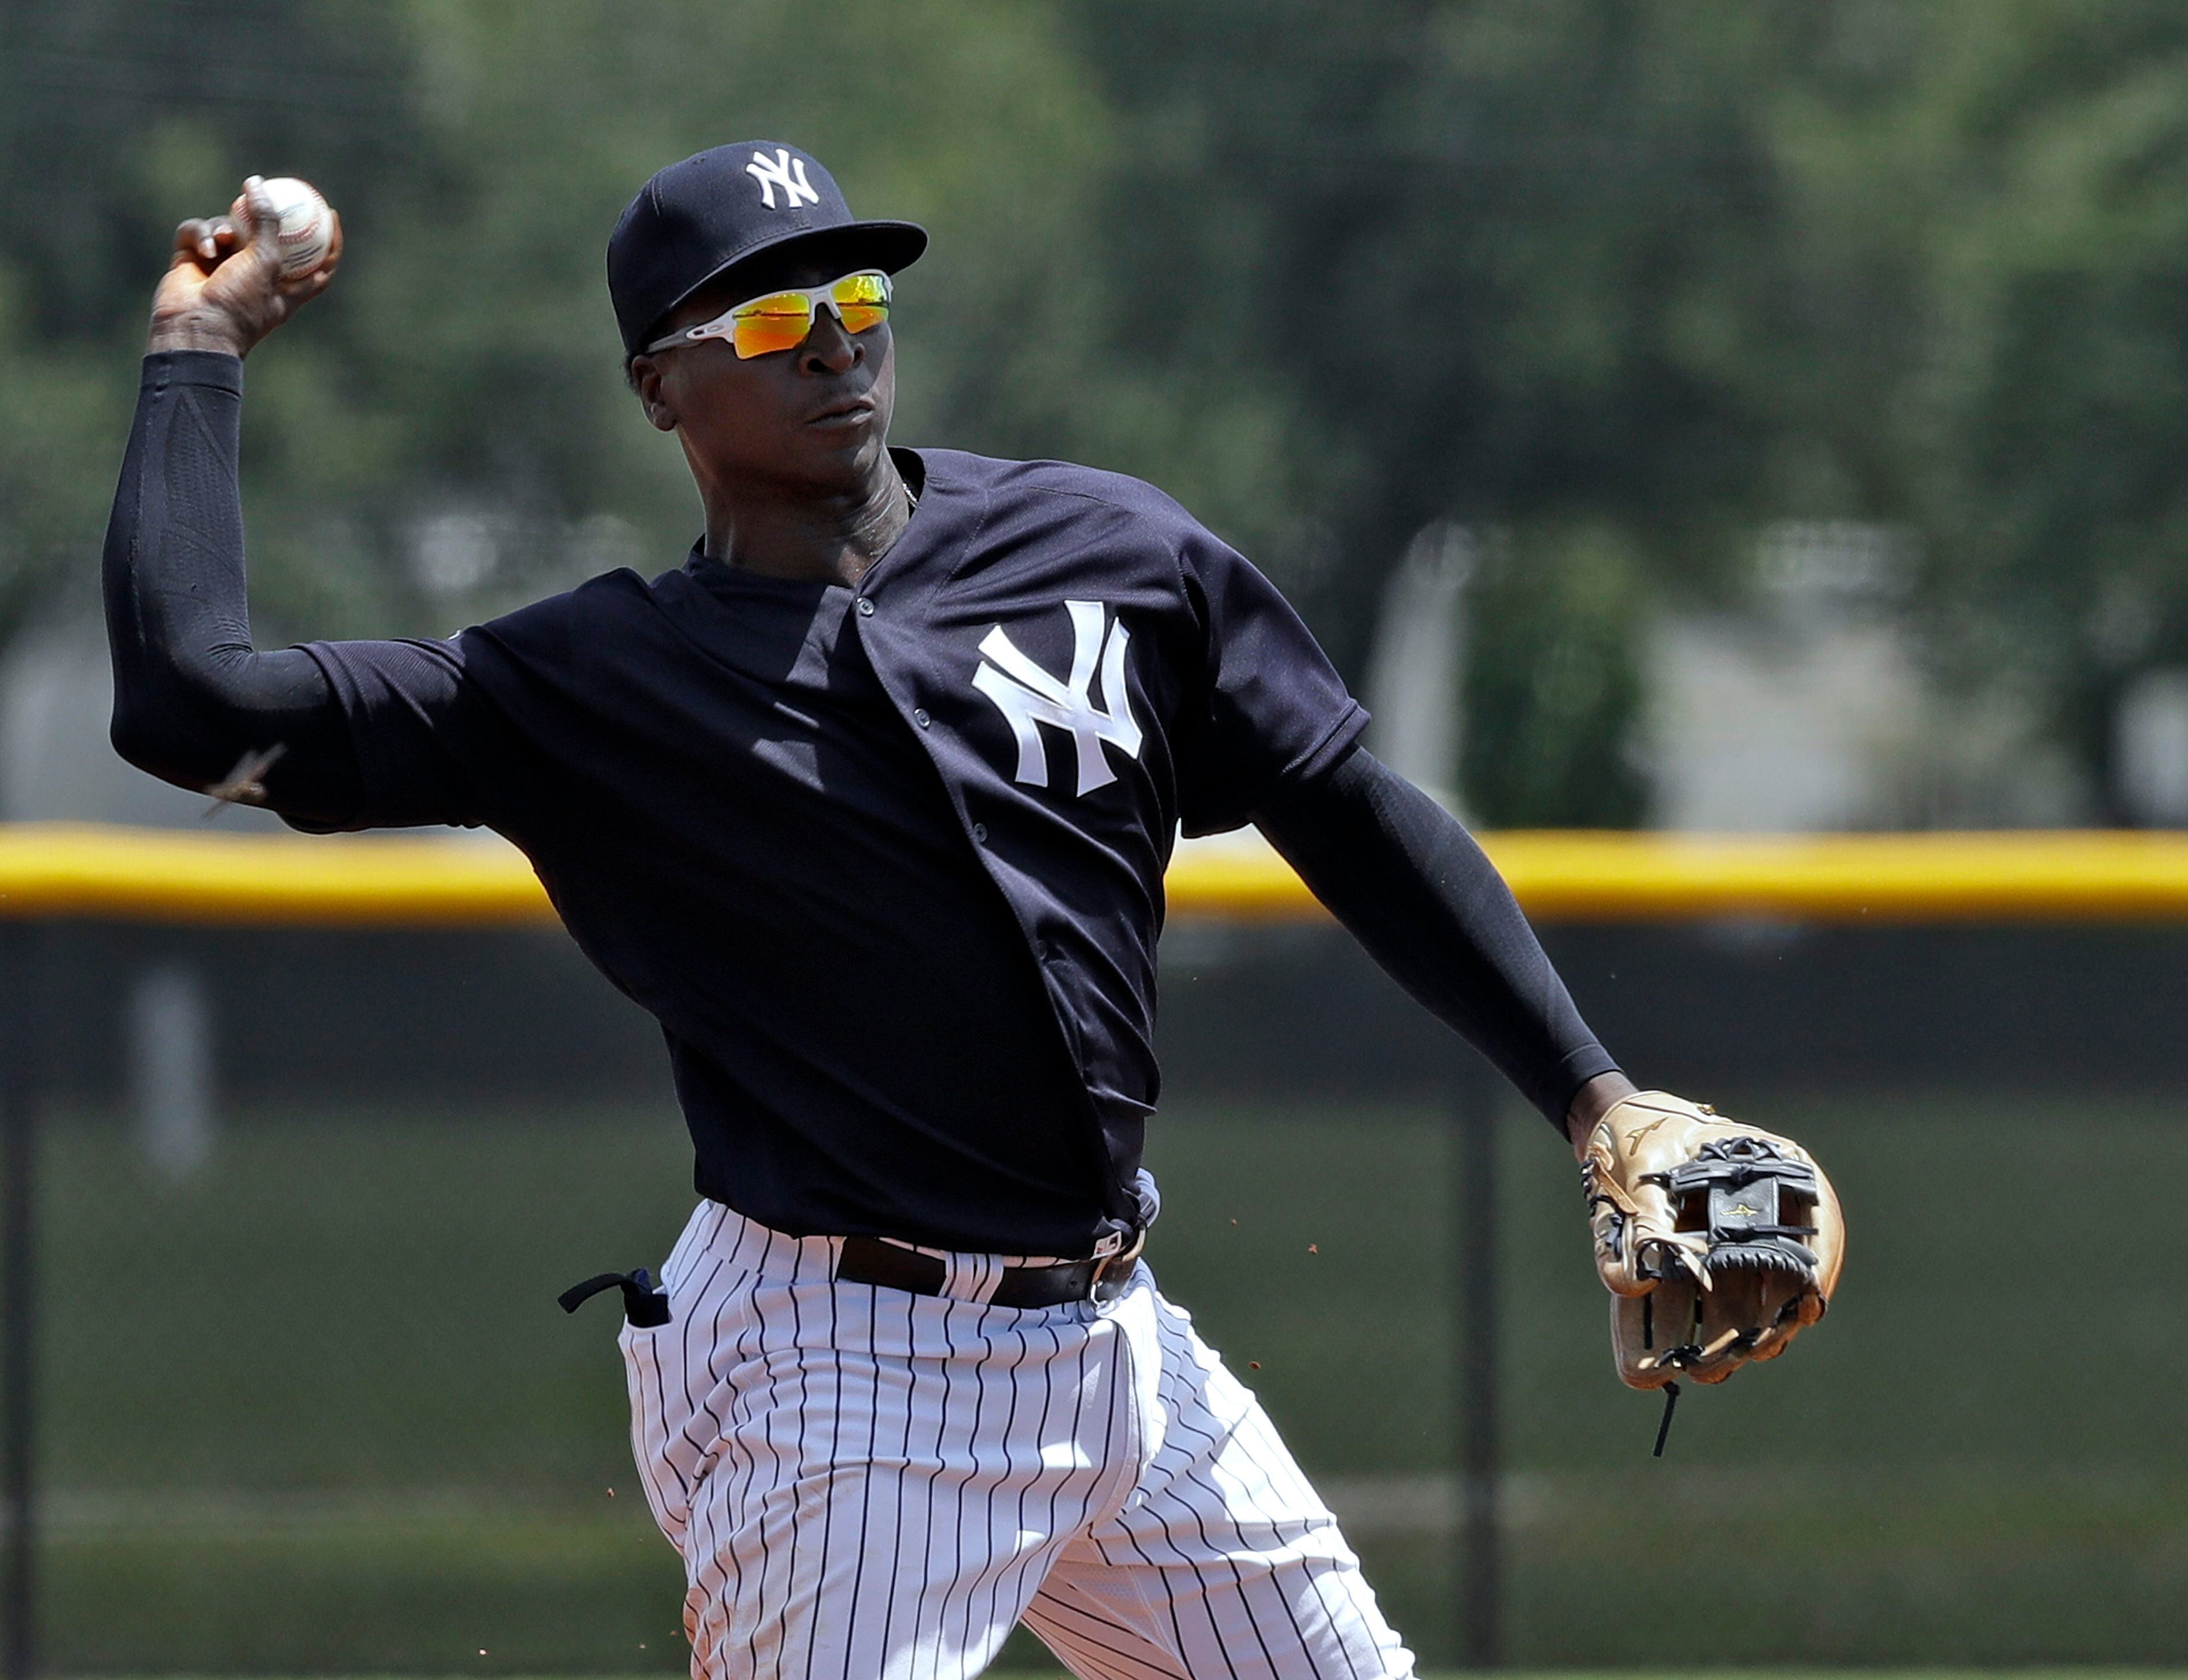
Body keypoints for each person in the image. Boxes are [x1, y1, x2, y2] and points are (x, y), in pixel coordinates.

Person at [107, 141, 1639, 1678]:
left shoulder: (1108, 555)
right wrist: (199, 351)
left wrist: (1603, 1102)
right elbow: (190, 703)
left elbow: (1348, 806)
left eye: (856, 294)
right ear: (658, 389)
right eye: (772, 322)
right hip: (846, 1367)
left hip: (1124, 1343)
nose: (836, 339)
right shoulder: (589, 686)